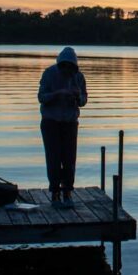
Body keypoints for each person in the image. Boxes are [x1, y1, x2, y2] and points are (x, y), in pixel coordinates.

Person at [38, 46, 88, 207]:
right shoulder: (49, 73)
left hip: (70, 122)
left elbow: (84, 99)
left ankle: (67, 192)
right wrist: (57, 94)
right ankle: (55, 193)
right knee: (53, 158)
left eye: (70, 66)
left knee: (69, 158)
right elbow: (41, 97)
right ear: (60, 64)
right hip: (50, 122)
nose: (67, 69)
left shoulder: (78, 77)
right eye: (64, 66)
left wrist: (77, 97)